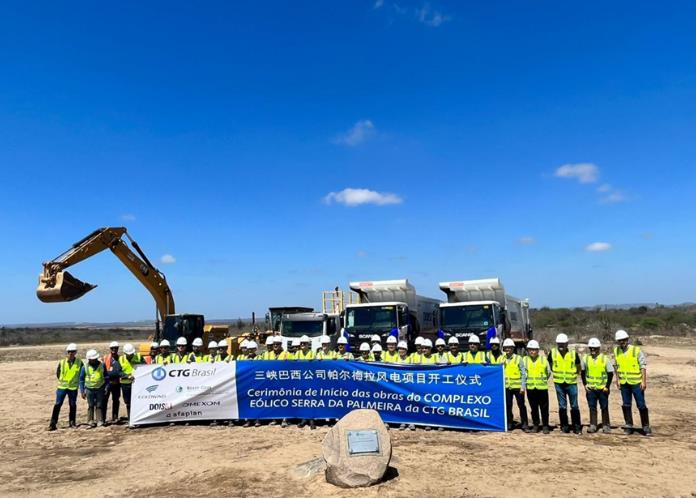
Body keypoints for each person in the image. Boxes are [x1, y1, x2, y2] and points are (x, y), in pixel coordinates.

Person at [613, 329, 651, 435]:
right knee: (626, 404)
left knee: (641, 405)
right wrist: (618, 380)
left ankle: (646, 426)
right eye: (620, 340)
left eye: (624, 340)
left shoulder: (636, 350)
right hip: (624, 383)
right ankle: (628, 425)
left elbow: (643, 366)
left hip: (636, 383)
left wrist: (643, 381)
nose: (622, 342)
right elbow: (616, 366)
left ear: (627, 339)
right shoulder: (616, 351)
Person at [550, 333, 582, 434]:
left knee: (574, 405)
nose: (561, 346)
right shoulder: (553, 353)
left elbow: (578, 367)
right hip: (559, 383)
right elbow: (550, 365)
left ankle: (576, 427)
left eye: (563, 344)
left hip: (571, 383)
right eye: (559, 343)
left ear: (567, 344)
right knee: (562, 406)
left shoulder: (573, 354)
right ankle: (564, 426)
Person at [581, 337, 614, 434]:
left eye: (595, 348)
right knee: (592, 407)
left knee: (604, 407)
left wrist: (607, 386)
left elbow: (610, 373)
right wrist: (585, 384)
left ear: (598, 348)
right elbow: (582, 372)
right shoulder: (586, 358)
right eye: (591, 348)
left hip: (602, 388)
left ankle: (606, 425)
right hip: (591, 389)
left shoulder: (604, 358)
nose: (593, 350)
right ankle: (593, 425)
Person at [49, 343, 83, 431]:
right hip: (62, 387)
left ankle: (72, 422)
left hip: (73, 388)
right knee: (57, 404)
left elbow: (82, 375)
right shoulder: (62, 362)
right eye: (69, 352)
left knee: (72, 405)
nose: (71, 353)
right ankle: (53, 423)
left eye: (73, 351)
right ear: (67, 352)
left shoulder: (79, 362)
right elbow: (58, 373)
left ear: (75, 352)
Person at [524, 340, 551, 434]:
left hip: (542, 388)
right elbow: (523, 374)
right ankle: (536, 425)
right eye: (530, 350)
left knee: (544, 408)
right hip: (531, 388)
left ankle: (545, 426)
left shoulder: (544, 360)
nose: (532, 351)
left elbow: (548, 372)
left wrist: (542, 381)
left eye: (534, 350)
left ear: (538, 350)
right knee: (534, 408)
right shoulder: (525, 360)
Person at [502, 338, 529, 432]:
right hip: (507, 387)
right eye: (506, 348)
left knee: (521, 405)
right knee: (508, 406)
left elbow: (523, 373)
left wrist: (523, 386)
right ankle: (509, 423)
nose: (508, 349)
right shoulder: (502, 359)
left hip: (518, 387)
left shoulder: (518, 358)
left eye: (510, 348)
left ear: (513, 348)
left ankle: (525, 424)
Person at [79, 349, 105, 428]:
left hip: (100, 388)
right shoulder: (85, 367)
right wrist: (82, 391)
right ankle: (90, 421)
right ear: (89, 359)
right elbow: (81, 379)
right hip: (89, 389)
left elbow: (106, 377)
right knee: (91, 405)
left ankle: (99, 420)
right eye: (92, 359)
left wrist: (106, 387)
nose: (94, 360)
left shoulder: (102, 365)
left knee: (99, 405)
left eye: (95, 358)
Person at [118, 343, 142, 420]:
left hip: (137, 384)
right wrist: (127, 376)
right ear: (124, 353)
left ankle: (138, 418)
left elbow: (145, 367)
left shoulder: (138, 356)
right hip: (125, 385)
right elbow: (118, 372)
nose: (130, 355)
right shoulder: (121, 359)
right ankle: (130, 419)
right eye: (129, 354)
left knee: (138, 401)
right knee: (128, 402)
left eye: (131, 354)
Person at [103, 341, 122, 424]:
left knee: (116, 400)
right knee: (104, 400)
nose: (114, 349)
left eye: (116, 348)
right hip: (107, 383)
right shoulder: (105, 358)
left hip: (117, 383)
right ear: (110, 349)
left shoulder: (121, 358)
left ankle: (115, 417)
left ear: (118, 349)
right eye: (112, 348)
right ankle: (103, 418)